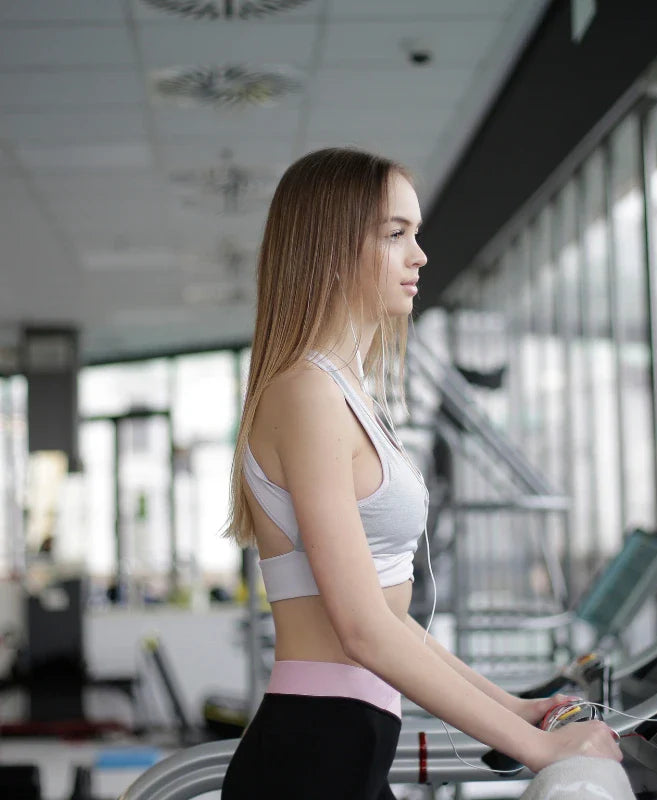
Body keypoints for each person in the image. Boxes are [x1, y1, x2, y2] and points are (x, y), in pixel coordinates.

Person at [220, 147, 622, 799]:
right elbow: (362, 628)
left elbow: (389, 619)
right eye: (396, 234)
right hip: (313, 753)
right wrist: (539, 748)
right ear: (333, 246)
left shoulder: (344, 390)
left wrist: (513, 711)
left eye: (417, 234)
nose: (420, 256)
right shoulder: (305, 392)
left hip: (351, 742)